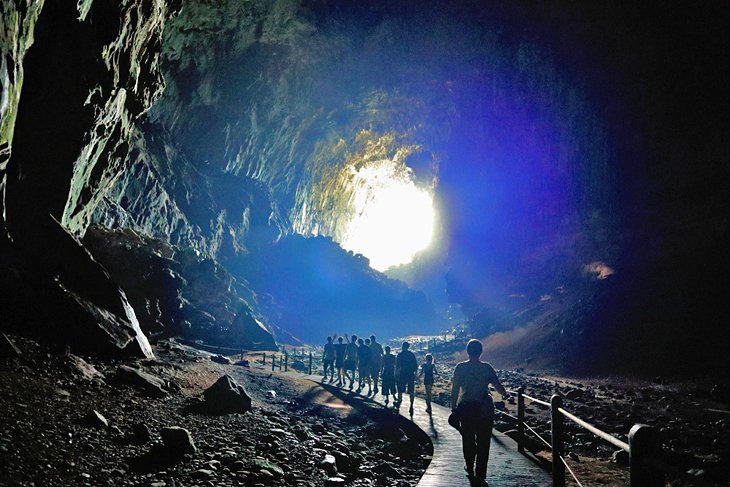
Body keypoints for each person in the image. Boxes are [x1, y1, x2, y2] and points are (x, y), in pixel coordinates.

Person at [450, 339, 507, 485]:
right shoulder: (487, 368)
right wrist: (505, 394)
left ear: (468, 351)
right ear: (481, 352)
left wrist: (454, 408)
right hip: (484, 409)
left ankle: (469, 467)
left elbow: (455, 389)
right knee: (483, 442)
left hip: (466, 408)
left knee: (468, 439)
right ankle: (481, 473)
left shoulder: (460, 368)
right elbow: (498, 386)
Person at [395, 341, 418, 415]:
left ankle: (399, 402)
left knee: (400, 390)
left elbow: (398, 366)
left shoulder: (400, 355)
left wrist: (396, 375)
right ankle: (411, 406)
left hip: (402, 374)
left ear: (403, 346)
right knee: (411, 390)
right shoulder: (411, 355)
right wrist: (415, 374)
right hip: (410, 374)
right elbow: (415, 366)